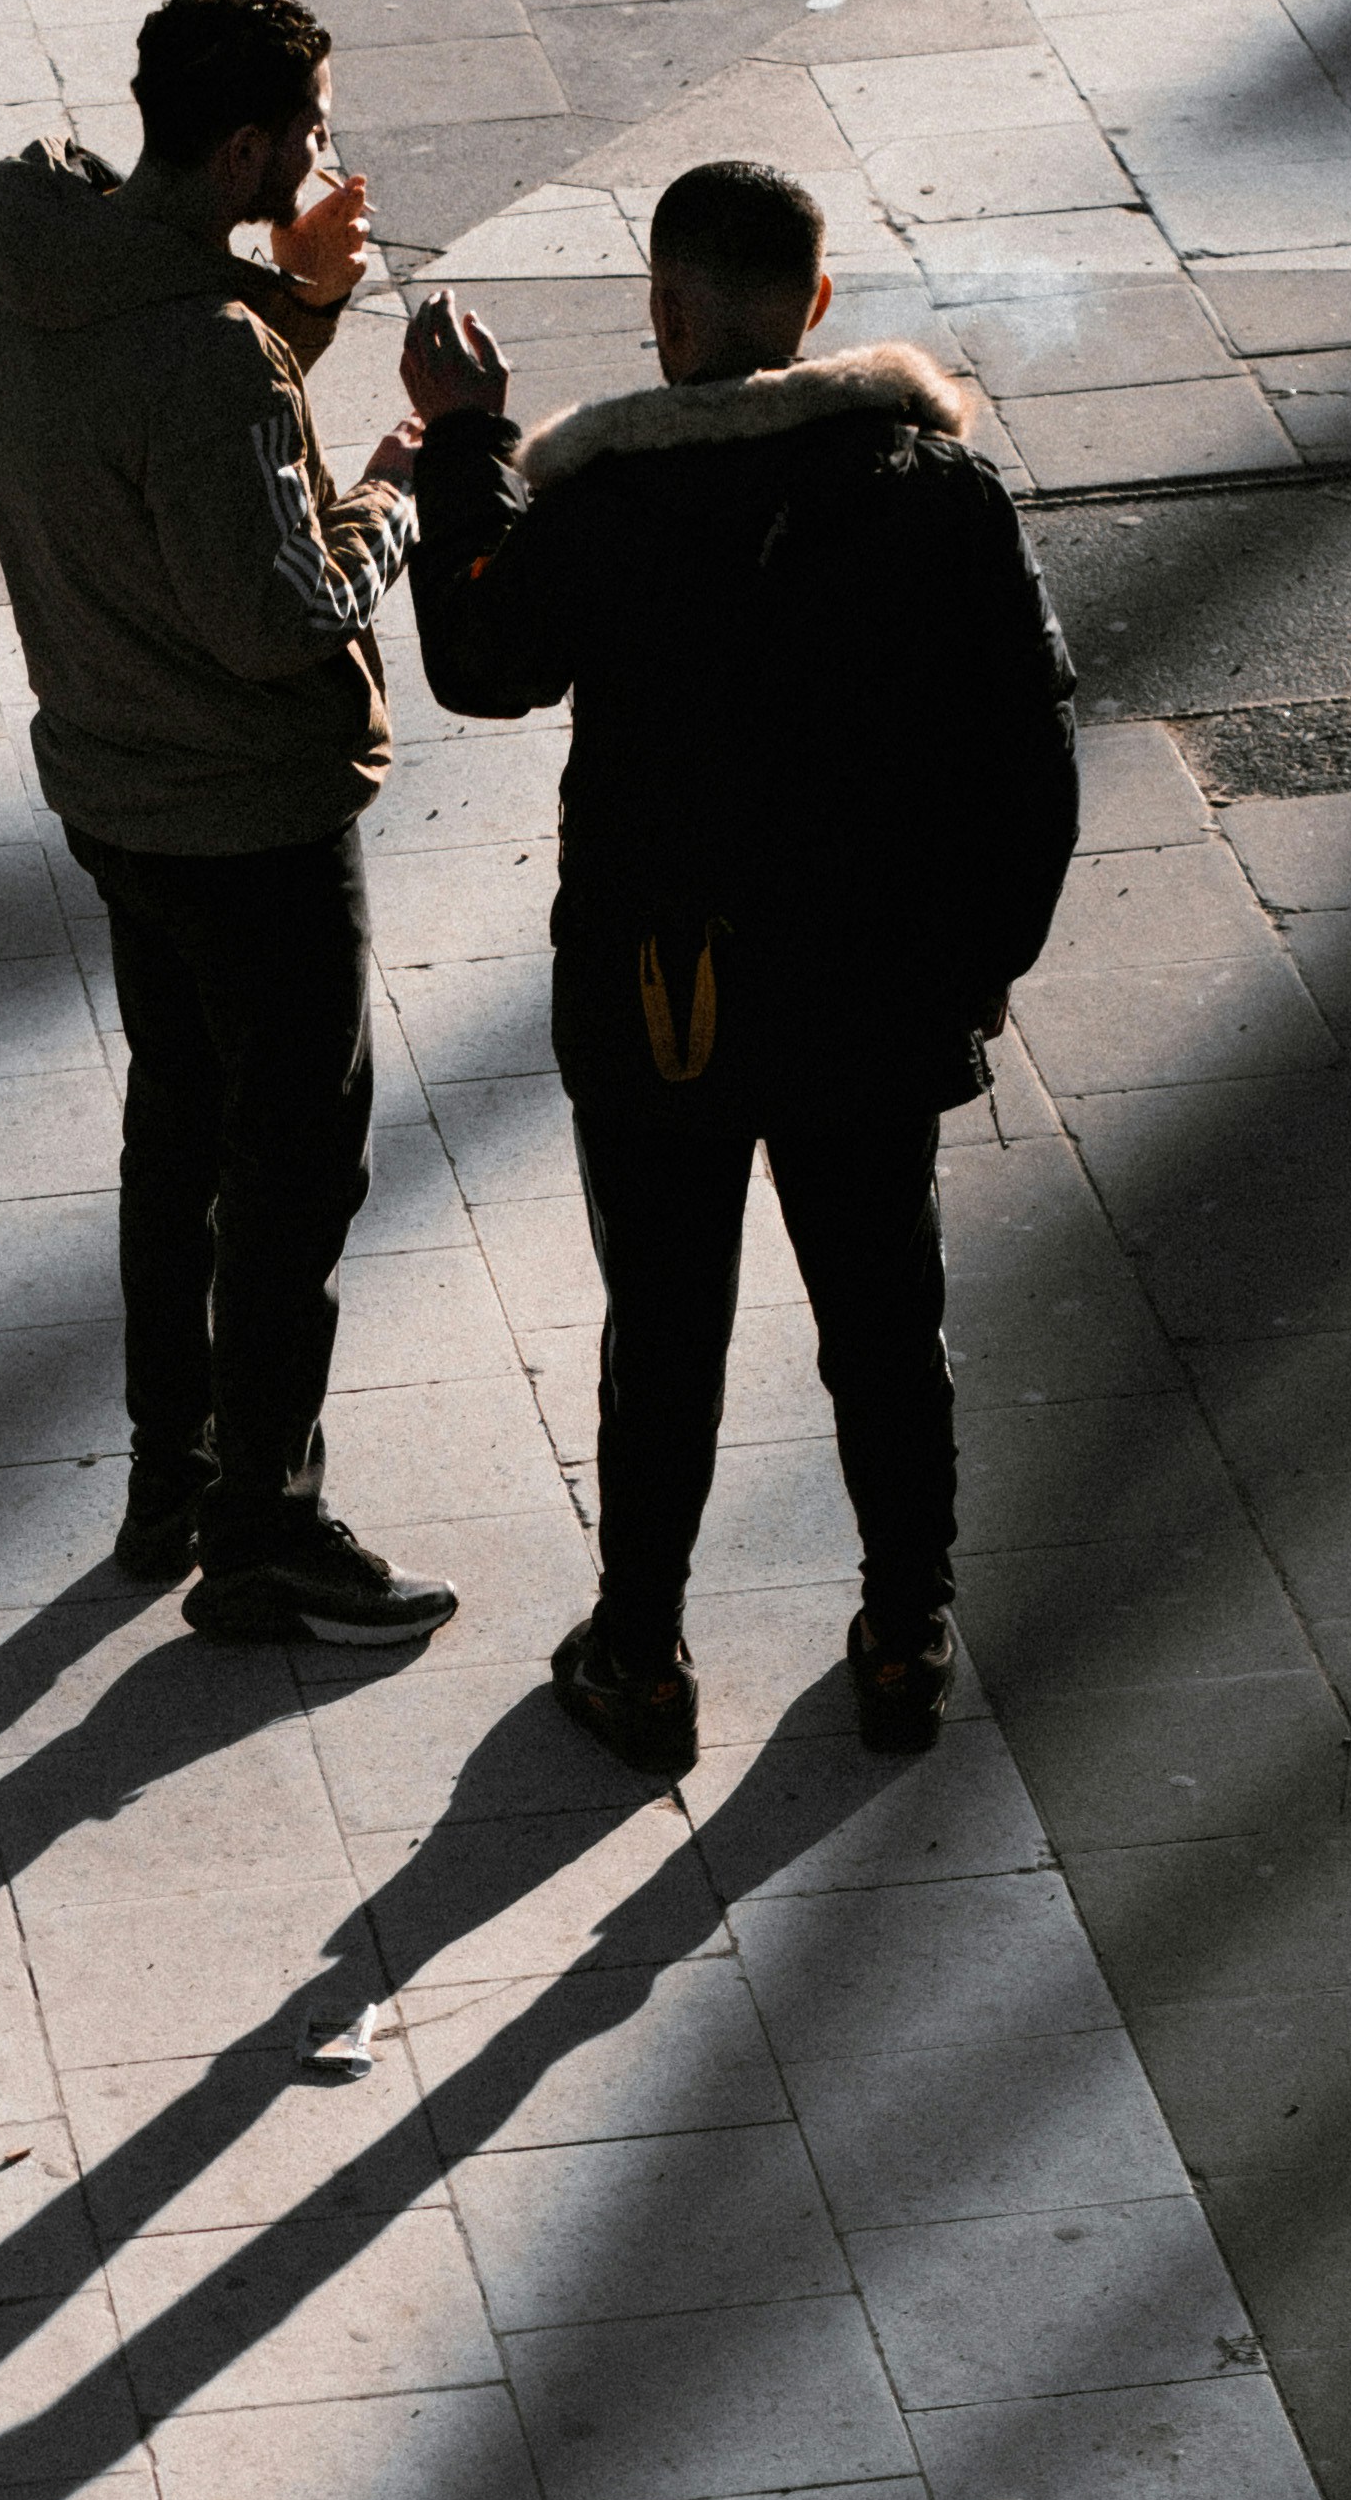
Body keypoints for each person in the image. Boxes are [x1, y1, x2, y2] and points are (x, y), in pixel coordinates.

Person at [401, 157, 1078, 1784]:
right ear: (819, 308)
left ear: (670, 313)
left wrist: (466, 445)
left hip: (665, 1002)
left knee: (671, 1326)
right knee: (884, 1320)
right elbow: (1034, 760)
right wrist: (982, 967)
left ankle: (643, 1656)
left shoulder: (611, 506)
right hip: (871, 995)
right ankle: (905, 1633)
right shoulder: (937, 491)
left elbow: (486, 663)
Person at [0, 0, 458, 1654]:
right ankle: (269, 1526)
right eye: (310, 131)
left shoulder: (45, 274)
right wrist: (401, 472)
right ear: (246, 141)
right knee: (296, 1164)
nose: (326, 155)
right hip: (246, 818)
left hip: (114, 787)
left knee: (175, 1130)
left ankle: (168, 1472)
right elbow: (272, 608)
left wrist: (288, 302)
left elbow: (169, 418)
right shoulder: (206, 355)